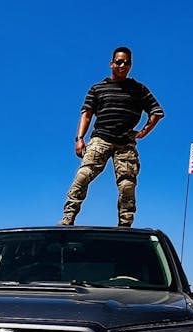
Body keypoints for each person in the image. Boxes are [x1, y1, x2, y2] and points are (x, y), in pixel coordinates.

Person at [59, 46, 165, 227]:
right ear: (111, 64)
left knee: (127, 184)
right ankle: (68, 217)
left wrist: (143, 132)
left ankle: (125, 225)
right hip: (100, 138)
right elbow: (87, 114)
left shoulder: (139, 89)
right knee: (83, 175)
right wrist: (79, 138)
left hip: (125, 143)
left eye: (127, 63)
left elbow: (157, 112)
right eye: (119, 62)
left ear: (131, 65)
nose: (123, 66)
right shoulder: (98, 88)